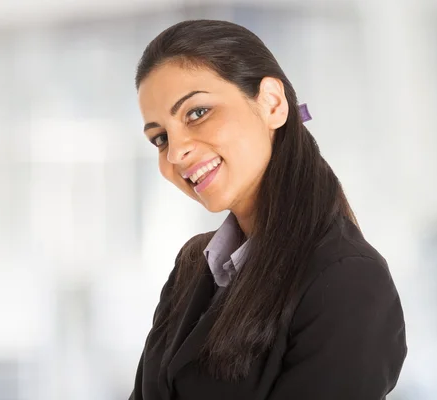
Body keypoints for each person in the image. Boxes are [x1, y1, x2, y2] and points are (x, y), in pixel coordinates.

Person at [130, 19, 407, 400]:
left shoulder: (348, 280)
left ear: (272, 104)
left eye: (197, 113)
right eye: (160, 138)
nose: (176, 153)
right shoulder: (193, 265)